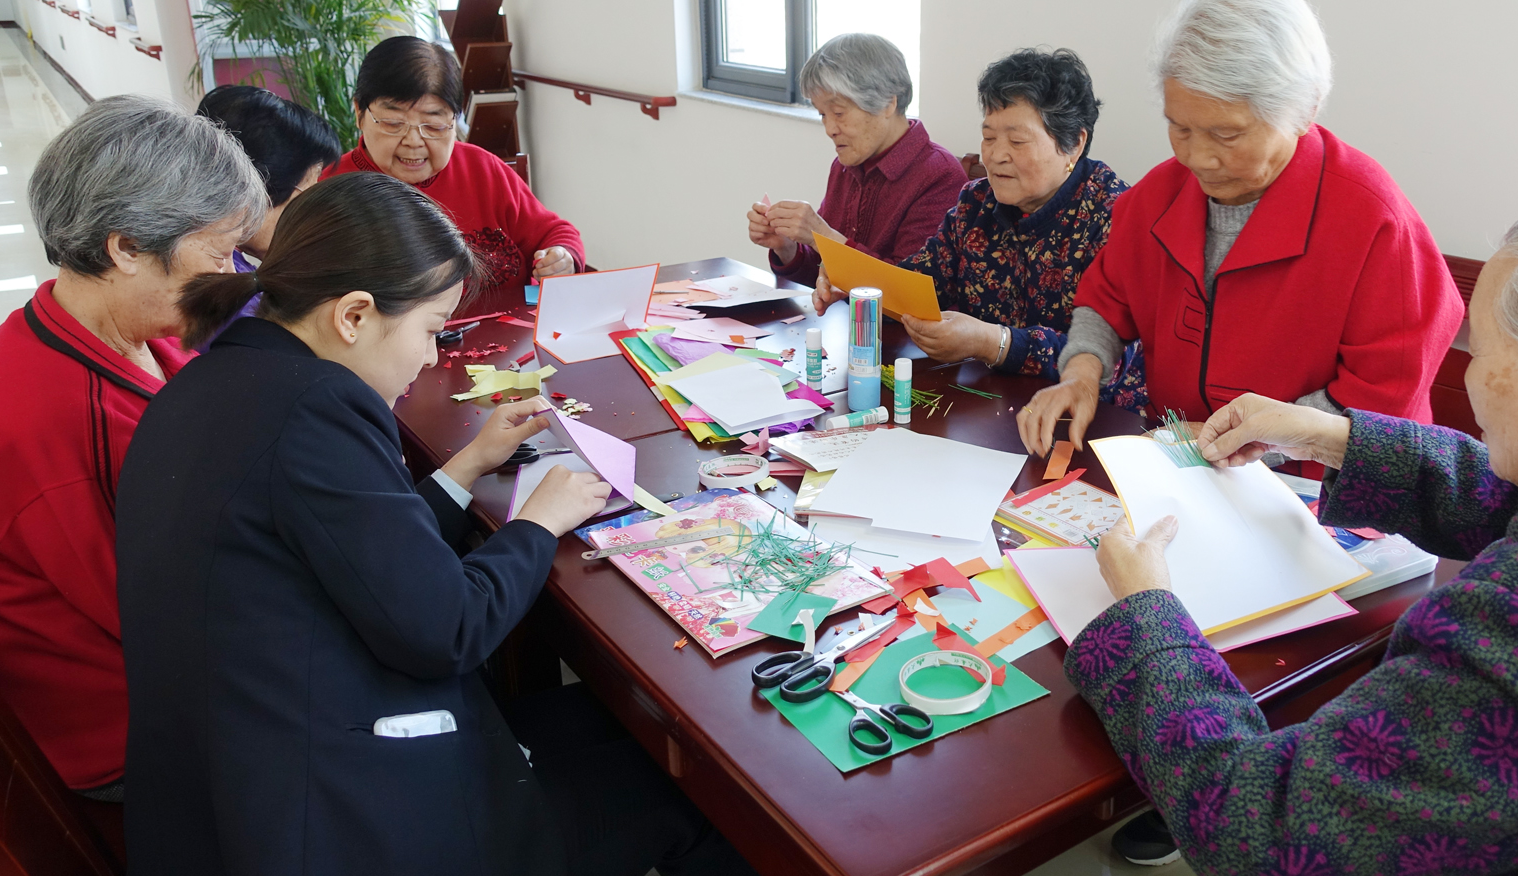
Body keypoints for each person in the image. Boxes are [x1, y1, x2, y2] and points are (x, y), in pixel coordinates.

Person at [115, 171, 754, 876]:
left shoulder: (213, 381)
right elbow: (448, 630)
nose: (428, 357)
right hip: (333, 820)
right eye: (430, 330)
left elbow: (360, 553)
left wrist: (466, 466)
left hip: (239, 780)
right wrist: (536, 524)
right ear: (354, 316)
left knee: (619, 726)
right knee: (709, 796)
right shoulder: (318, 410)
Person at [1065, 221, 1518, 874]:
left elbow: (1261, 828)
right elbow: (1500, 500)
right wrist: (1329, 436)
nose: (1468, 374)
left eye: (1481, 351)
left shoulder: (1499, 625)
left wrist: (1147, 612)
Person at [1017, 0, 1463, 460]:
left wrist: (1247, 440)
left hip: (1317, 481)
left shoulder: (1374, 221)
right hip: (1179, 460)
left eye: (1226, 135)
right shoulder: (1158, 197)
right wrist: (1082, 373)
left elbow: (1385, 398)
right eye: (1180, 128)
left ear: (1303, 111)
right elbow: (1107, 302)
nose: (1197, 158)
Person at [0, 96, 265, 802]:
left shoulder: (129, 332)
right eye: (218, 253)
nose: (234, 272)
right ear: (125, 250)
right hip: (137, 734)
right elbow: (173, 623)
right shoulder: (59, 427)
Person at [813, 48, 1145, 411]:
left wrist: (992, 342)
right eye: (988, 138)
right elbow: (922, 283)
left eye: (1017, 141)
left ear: (1074, 144)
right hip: (989, 405)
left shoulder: (1115, 215)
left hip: (1091, 420)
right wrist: (856, 280)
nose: (996, 155)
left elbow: (1110, 362)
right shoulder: (977, 203)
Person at [327, 35, 584, 318]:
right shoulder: (330, 190)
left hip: (511, 338)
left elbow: (554, 232)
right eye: (393, 123)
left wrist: (561, 257)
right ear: (359, 113)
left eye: (434, 126)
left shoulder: (482, 168)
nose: (413, 141)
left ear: (454, 121)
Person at [749, 33, 965, 287]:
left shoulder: (939, 176)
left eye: (839, 113)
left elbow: (911, 291)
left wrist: (821, 235)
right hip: (845, 313)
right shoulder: (845, 166)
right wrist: (787, 247)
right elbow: (827, 278)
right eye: (822, 115)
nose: (830, 129)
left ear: (888, 103)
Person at [192, 84, 342, 349]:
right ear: (256, 190)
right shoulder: (230, 298)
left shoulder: (226, 262)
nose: (311, 213)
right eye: (306, 192)